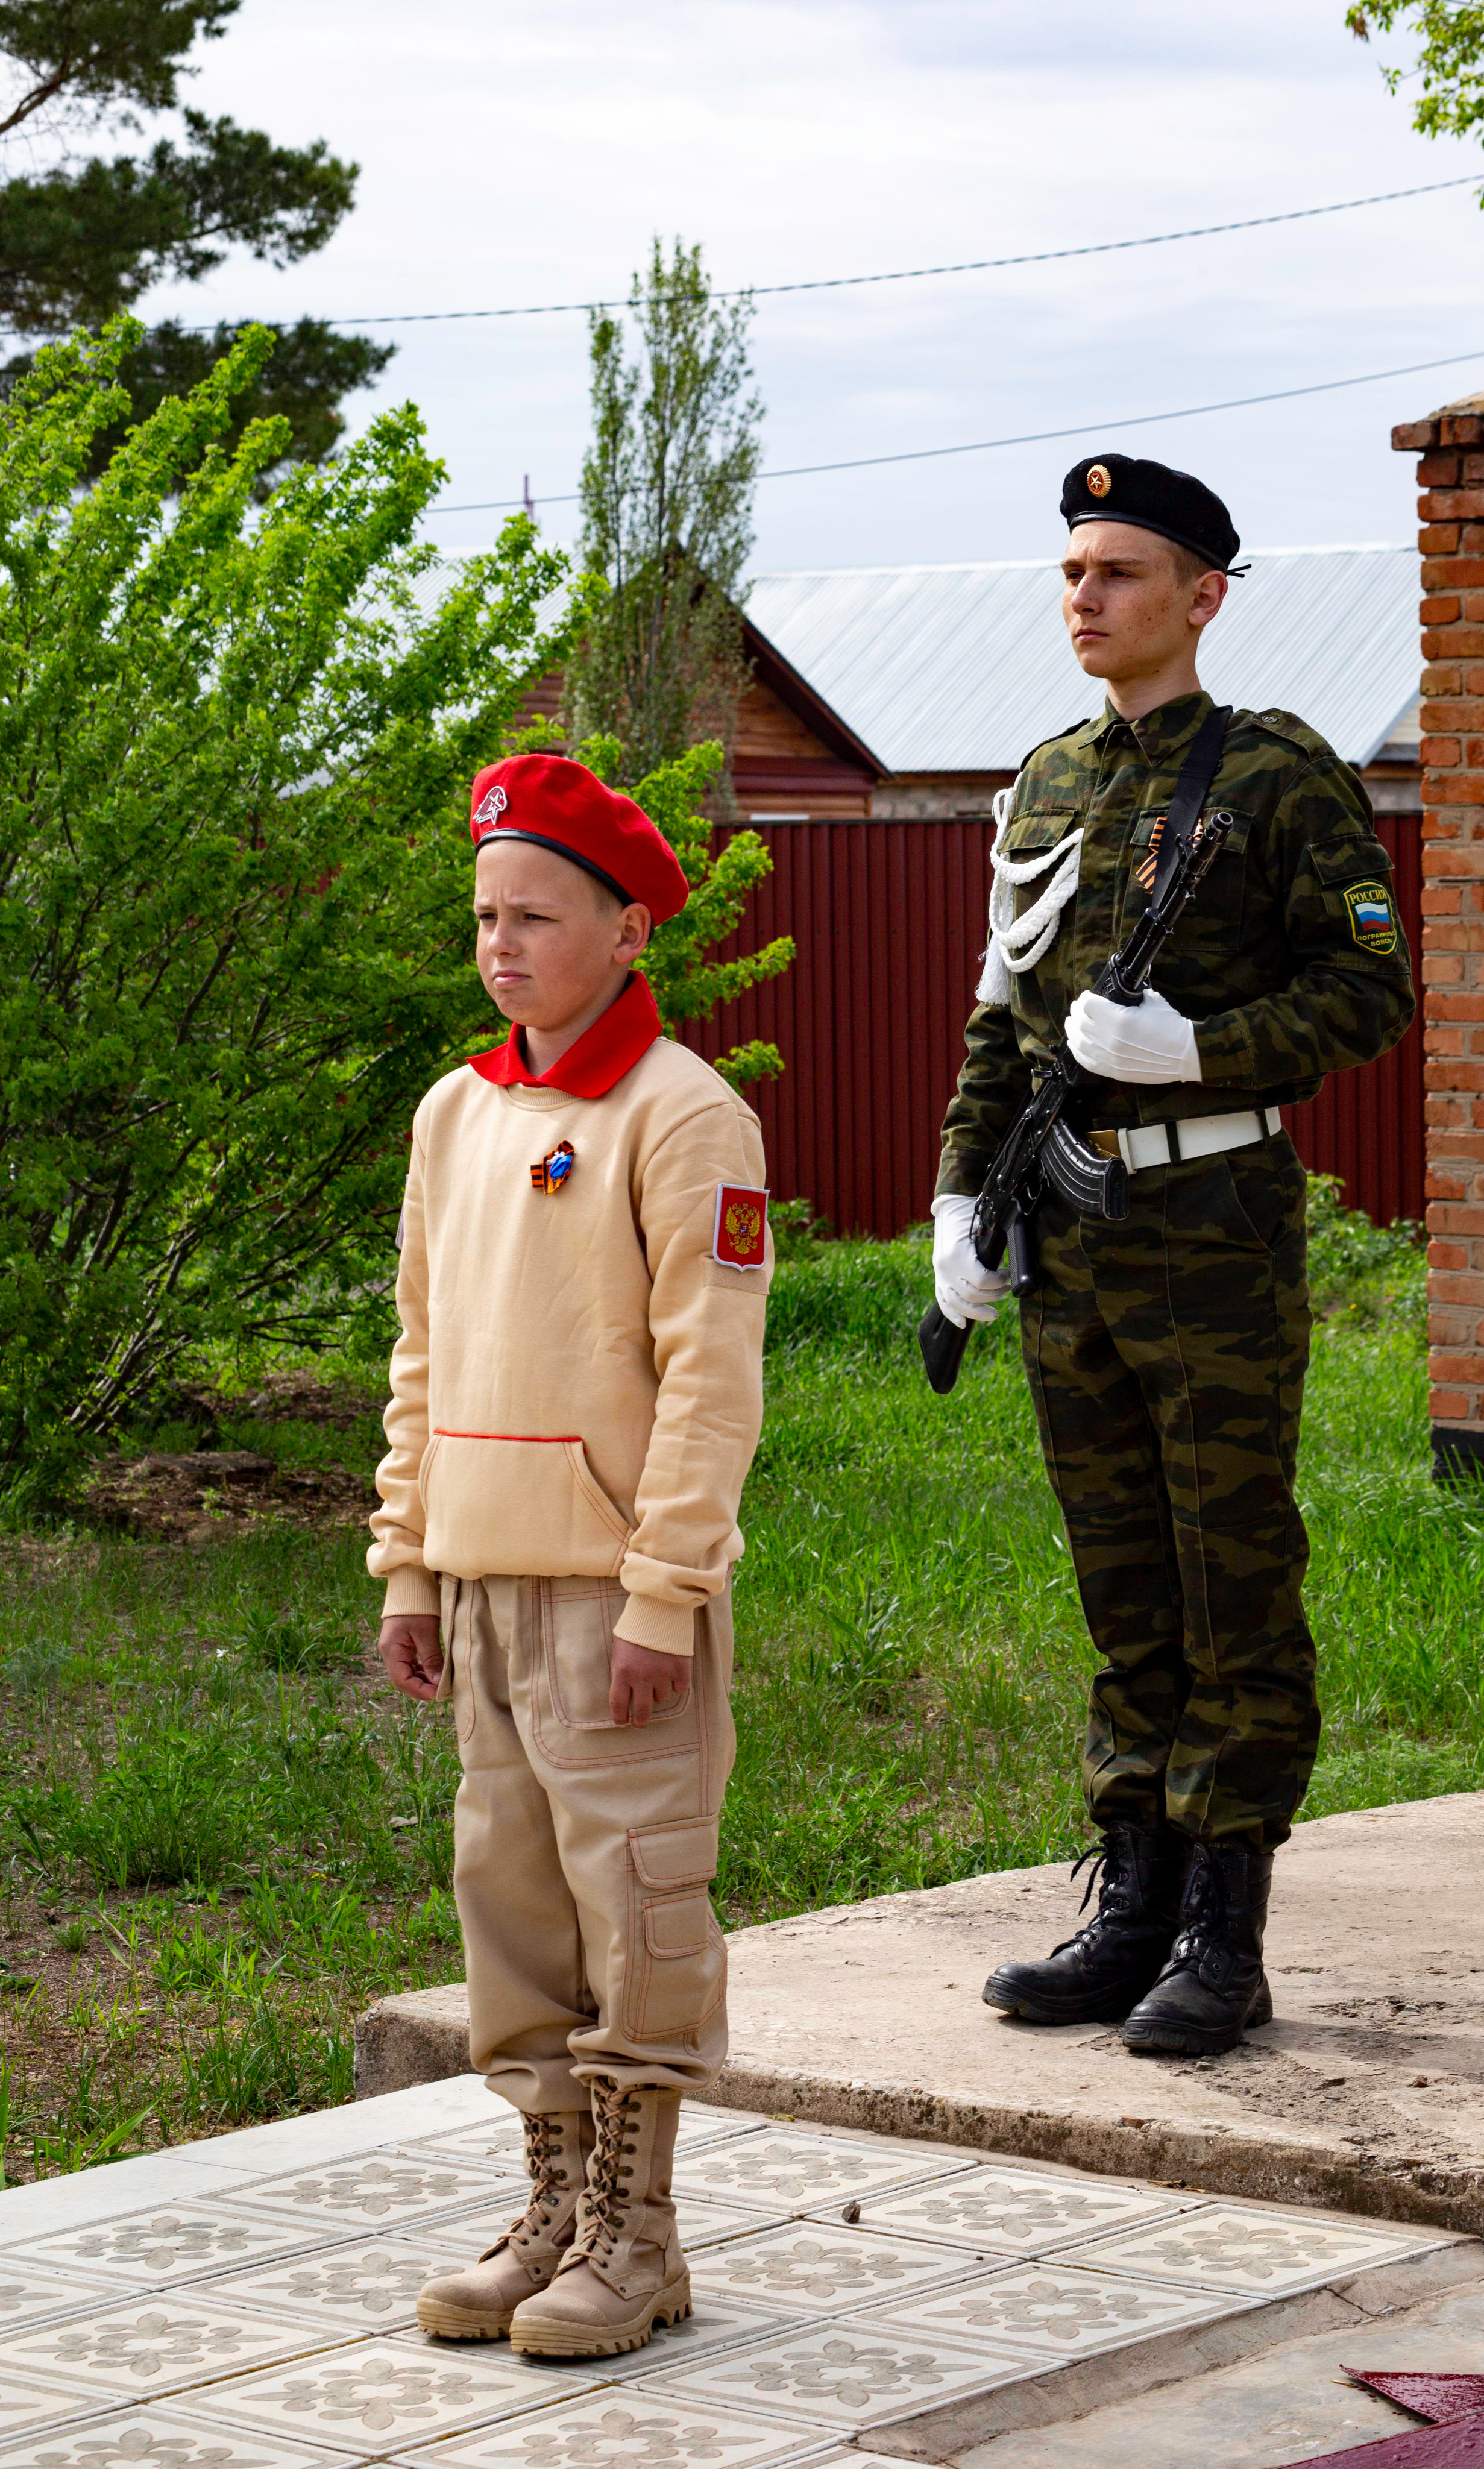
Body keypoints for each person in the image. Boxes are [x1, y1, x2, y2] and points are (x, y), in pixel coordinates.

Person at [934, 453, 1414, 2057]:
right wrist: (958, 1204)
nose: (1087, 599)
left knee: (1232, 1578)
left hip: (1211, 1229)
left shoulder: (1277, 779)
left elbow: (1367, 1001)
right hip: (1069, 1237)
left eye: (1120, 574)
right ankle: (1129, 1896)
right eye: (1073, 574)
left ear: (1201, 597)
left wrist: (1193, 1049)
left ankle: (1227, 1928)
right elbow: (1009, 1021)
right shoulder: (1047, 782)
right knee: (1120, 1575)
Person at [369, 752, 771, 2356]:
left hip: (618, 1601)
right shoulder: (457, 1114)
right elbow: (420, 1347)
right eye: (484, 916)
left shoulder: (686, 1118)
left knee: (636, 1905)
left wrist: (668, 1590)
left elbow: (711, 1380)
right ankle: (550, 2200)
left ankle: (640, 2230)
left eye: (535, 915)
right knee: (516, 1910)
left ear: (622, 925)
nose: (502, 945)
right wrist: (407, 1561)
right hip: (476, 1581)